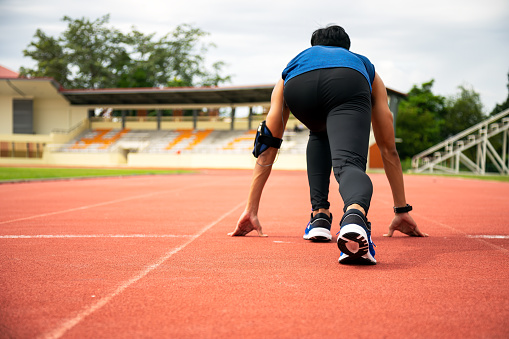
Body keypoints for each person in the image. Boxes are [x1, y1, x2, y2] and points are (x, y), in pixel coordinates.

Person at [228, 25, 427, 265]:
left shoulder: (295, 63)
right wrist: (401, 209)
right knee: (349, 165)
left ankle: (319, 217)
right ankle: (354, 217)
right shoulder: (361, 63)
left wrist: (251, 209)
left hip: (298, 85)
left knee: (318, 131)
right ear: (346, 48)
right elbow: (388, 148)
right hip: (348, 82)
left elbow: (268, 143)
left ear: (314, 47)